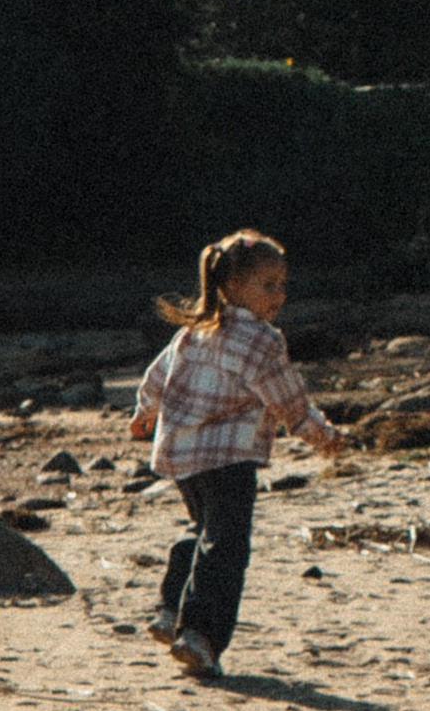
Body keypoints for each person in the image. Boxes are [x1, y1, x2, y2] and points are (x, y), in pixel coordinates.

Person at [130, 229, 340, 678]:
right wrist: (322, 435)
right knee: (226, 547)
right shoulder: (263, 341)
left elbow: (157, 374)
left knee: (204, 530)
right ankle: (200, 636)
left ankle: (171, 609)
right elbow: (290, 403)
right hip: (228, 458)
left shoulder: (197, 328)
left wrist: (144, 411)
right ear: (231, 286)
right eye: (267, 285)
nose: (279, 294)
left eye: (282, 284)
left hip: (182, 453)